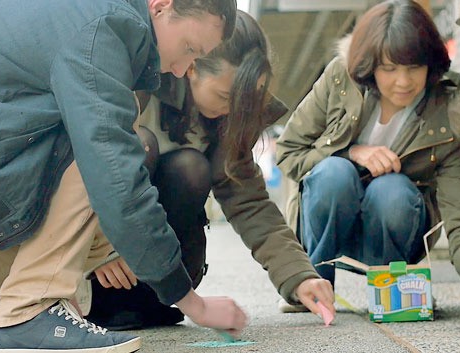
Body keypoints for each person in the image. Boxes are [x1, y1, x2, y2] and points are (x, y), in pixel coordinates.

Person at [0, 1, 245, 352]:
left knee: (99, 239)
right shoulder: (106, 22)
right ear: (160, 5)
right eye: (189, 48)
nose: (181, 70)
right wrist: (190, 300)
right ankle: (29, 312)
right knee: (98, 147)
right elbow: (112, 171)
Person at [81, 10, 335, 330]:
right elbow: (89, 164)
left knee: (191, 168)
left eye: (241, 102)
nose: (230, 110)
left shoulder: (227, 121)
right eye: (225, 96)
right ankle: (102, 300)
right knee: (138, 145)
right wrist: (102, 248)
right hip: (99, 263)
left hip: (170, 275)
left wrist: (300, 277)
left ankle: (149, 301)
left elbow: (251, 204)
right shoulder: (138, 85)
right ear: (192, 68)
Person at [276, 0, 460, 322]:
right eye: (389, 68)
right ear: (370, 66)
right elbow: (289, 152)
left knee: (392, 188)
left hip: (397, 227)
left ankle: (395, 292)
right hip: (325, 226)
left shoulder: (449, 112)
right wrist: (351, 152)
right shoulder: (341, 80)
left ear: (431, 65)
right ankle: (313, 285)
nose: (403, 82)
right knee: (334, 172)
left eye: (414, 68)